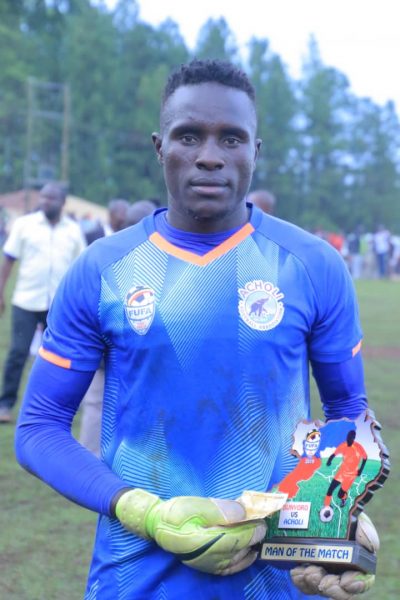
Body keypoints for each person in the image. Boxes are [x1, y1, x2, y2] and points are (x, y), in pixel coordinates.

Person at [15, 59, 379, 600]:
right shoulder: (101, 270)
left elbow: (348, 410)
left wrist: (337, 508)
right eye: (189, 136)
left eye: (231, 138)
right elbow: (39, 427)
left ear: (256, 151)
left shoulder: (312, 265)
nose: (210, 155)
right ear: (160, 147)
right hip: (134, 579)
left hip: (274, 581)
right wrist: (141, 511)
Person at [0, 182, 86, 423]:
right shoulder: (25, 225)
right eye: (43, 197)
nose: (45, 202)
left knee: (60, 355)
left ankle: (59, 403)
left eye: (51, 198)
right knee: (18, 352)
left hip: (59, 305)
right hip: (26, 300)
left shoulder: (73, 230)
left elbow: (81, 268)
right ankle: (5, 404)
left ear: (63, 202)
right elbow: (8, 260)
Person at [79, 199, 157, 456]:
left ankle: (92, 463)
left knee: (96, 407)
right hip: (132, 360)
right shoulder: (162, 265)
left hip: (111, 356)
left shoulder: (103, 259)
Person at [322, 430, 367, 512]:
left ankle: (344, 498)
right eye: (347, 437)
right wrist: (329, 460)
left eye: (350, 438)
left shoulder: (358, 447)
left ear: (354, 438)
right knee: (330, 489)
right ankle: (326, 506)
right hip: (341, 473)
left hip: (351, 475)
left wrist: (360, 470)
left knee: (340, 494)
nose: (348, 439)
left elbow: (365, 458)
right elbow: (334, 454)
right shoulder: (343, 445)